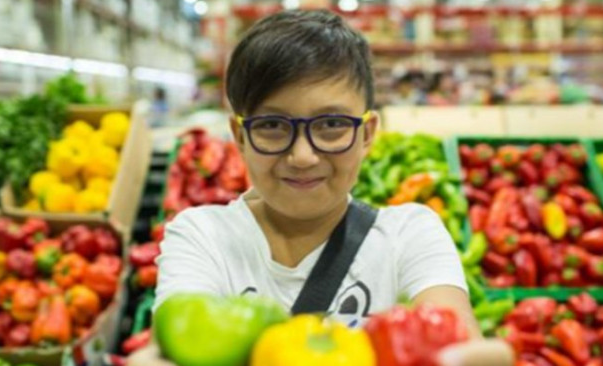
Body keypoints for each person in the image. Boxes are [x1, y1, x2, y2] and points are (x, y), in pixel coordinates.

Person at [129, 9, 513, 366]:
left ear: (367, 134)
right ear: (240, 136)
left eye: (331, 125)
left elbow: (455, 338)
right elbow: (172, 348)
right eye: (272, 125)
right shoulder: (202, 235)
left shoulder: (409, 234)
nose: (302, 156)